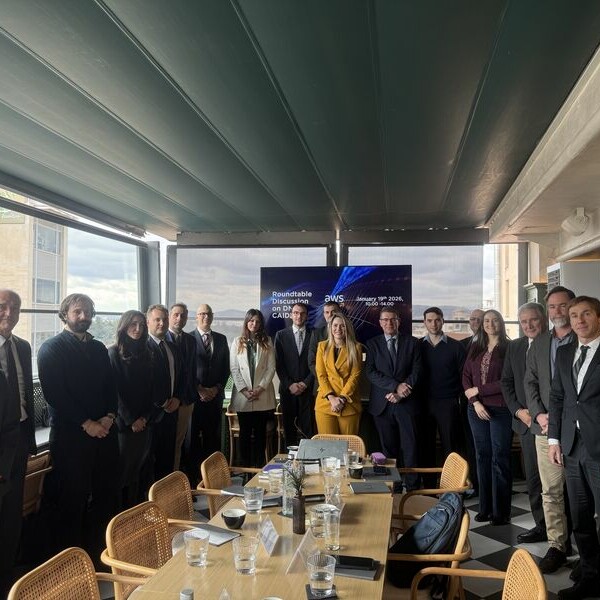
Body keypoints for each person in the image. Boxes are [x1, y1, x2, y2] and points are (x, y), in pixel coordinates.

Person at [38, 293, 119, 555]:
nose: (84, 316)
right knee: (72, 501)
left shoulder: (98, 348)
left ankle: (100, 556)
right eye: (77, 312)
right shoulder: (51, 348)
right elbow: (55, 394)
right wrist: (87, 423)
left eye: (88, 312)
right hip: (71, 438)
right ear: (65, 314)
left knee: (105, 496)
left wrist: (109, 416)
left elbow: (111, 386)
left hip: (104, 433)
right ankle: (72, 561)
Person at [548, 295, 600, 600]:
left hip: (599, 446)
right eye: (574, 315)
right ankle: (591, 574)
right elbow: (558, 397)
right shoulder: (566, 352)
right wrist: (554, 439)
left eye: (586, 314)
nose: (579, 320)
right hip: (571, 445)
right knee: (580, 516)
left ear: (598, 317)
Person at [524, 285, 575, 574]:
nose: (557, 311)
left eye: (562, 305)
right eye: (552, 306)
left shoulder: (585, 338)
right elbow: (530, 382)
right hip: (545, 429)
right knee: (551, 491)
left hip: (580, 429)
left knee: (583, 493)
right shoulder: (540, 343)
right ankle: (558, 546)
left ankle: (589, 551)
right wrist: (538, 414)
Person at [500, 302, 547, 546]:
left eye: (533, 320)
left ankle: (564, 530)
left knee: (558, 483)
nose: (528, 325)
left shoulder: (554, 343)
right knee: (534, 479)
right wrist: (519, 412)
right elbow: (506, 382)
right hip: (526, 423)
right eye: (523, 321)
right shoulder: (515, 346)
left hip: (551, 423)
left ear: (543, 319)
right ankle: (542, 526)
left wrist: (541, 414)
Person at [462, 309, 511, 525]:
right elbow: (465, 376)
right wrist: (475, 401)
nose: (490, 324)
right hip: (476, 409)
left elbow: (508, 380)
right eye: (487, 321)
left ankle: (501, 512)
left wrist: (479, 391)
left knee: (499, 458)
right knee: (482, 456)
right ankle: (485, 508)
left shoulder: (510, 348)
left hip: (500, 409)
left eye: (494, 320)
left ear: (501, 323)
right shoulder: (476, 347)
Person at [0, 289, 34, 594]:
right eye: (2, 306)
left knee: (12, 516)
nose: (9, 313)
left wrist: (29, 440)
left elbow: (26, 397)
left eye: (15, 308)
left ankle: (8, 581)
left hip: (20, 442)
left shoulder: (22, 347)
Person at [366, 307, 421, 489]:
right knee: (387, 450)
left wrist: (401, 392)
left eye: (393, 319)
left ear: (399, 321)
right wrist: (395, 386)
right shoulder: (372, 344)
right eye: (385, 319)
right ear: (380, 323)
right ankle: (393, 487)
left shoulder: (413, 342)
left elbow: (417, 371)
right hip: (382, 405)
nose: (389, 323)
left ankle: (412, 488)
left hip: (407, 403)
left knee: (410, 447)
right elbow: (371, 372)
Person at [108, 310, 154, 508]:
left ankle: (135, 513)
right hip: (124, 426)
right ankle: (120, 517)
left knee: (137, 472)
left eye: (141, 325)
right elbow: (115, 392)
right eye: (133, 324)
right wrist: (131, 420)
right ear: (124, 326)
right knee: (121, 475)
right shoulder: (113, 353)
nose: (137, 329)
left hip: (143, 423)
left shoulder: (147, 353)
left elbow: (150, 390)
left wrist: (144, 417)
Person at [417, 307, 466, 486]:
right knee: (425, 446)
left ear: (443, 321)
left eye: (437, 320)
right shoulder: (418, 346)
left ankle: (452, 487)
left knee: (451, 446)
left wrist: (457, 399)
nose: (433, 324)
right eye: (429, 320)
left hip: (448, 403)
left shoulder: (456, 347)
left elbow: (464, 376)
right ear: (424, 322)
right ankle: (429, 487)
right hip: (423, 403)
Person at [188, 304, 230, 484]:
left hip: (215, 398)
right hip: (194, 399)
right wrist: (199, 389)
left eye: (208, 314)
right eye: (202, 314)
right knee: (192, 441)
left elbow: (226, 368)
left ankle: (212, 480)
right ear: (196, 317)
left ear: (212, 316)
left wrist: (216, 388)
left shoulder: (221, 339)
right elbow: (185, 370)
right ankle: (193, 480)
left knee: (213, 440)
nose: (205, 317)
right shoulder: (188, 339)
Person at [229, 309, 276, 467]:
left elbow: (271, 368)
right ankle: (245, 469)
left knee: (260, 434)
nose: (254, 324)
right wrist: (244, 390)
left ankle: (258, 468)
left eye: (257, 321)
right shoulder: (237, 341)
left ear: (261, 324)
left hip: (262, 395)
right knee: (245, 434)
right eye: (251, 321)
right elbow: (234, 369)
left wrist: (259, 389)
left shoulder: (267, 341)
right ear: (246, 322)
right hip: (243, 397)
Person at [146, 304, 182, 481]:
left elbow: (180, 376)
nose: (162, 323)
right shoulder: (142, 347)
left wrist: (177, 398)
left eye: (165, 319)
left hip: (172, 412)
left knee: (167, 460)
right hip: (150, 415)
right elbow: (144, 383)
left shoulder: (172, 347)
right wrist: (161, 402)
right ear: (148, 322)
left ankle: (166, 496)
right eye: (157, 320)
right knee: (148, 464)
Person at [315, 312, 363, 435]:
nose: (338, 329)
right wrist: (332, 398)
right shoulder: (322, 346)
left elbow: (355, 376)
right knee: (327, 445)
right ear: (330, 327)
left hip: (348, 402)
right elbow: (321, 374)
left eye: (342, 326)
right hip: (325, 402)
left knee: (349, 444)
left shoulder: (356, 347)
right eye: (335, 325)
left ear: (347, 328)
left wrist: (341, 399)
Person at [274, 302, 315, 446]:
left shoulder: (314, 334)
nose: (299, 316)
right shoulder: (280, 335)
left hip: (308, 391)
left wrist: (305, 383)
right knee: (289, 430)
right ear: (291, 315)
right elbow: (278, 364)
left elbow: (318, 364)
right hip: (288, 391)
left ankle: (309, 458)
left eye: (302, 313)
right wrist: (290, 384)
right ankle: (290, 458)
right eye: (296, 313)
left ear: (307, 316)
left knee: (308, 430)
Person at [166, 302, 197, 471]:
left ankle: (176, 480)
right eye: (176, 315)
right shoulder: (161, 339)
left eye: (183, 315)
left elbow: (191, 372)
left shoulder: (191, 341)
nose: (179, 318)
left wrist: (185, 397)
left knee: (179, 443)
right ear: (169, 317)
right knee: (165, 445)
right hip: (166, 402)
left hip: (185, 401)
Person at [308, 301, 341, 393]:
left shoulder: (348, 333)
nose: (330, 315)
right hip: (322, 386)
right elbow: (311, 362)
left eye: (333, 311)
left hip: (343, 385)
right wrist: (326, 380)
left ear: (339, 312)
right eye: (327, 312)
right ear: (324, 314)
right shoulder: (316, 334)